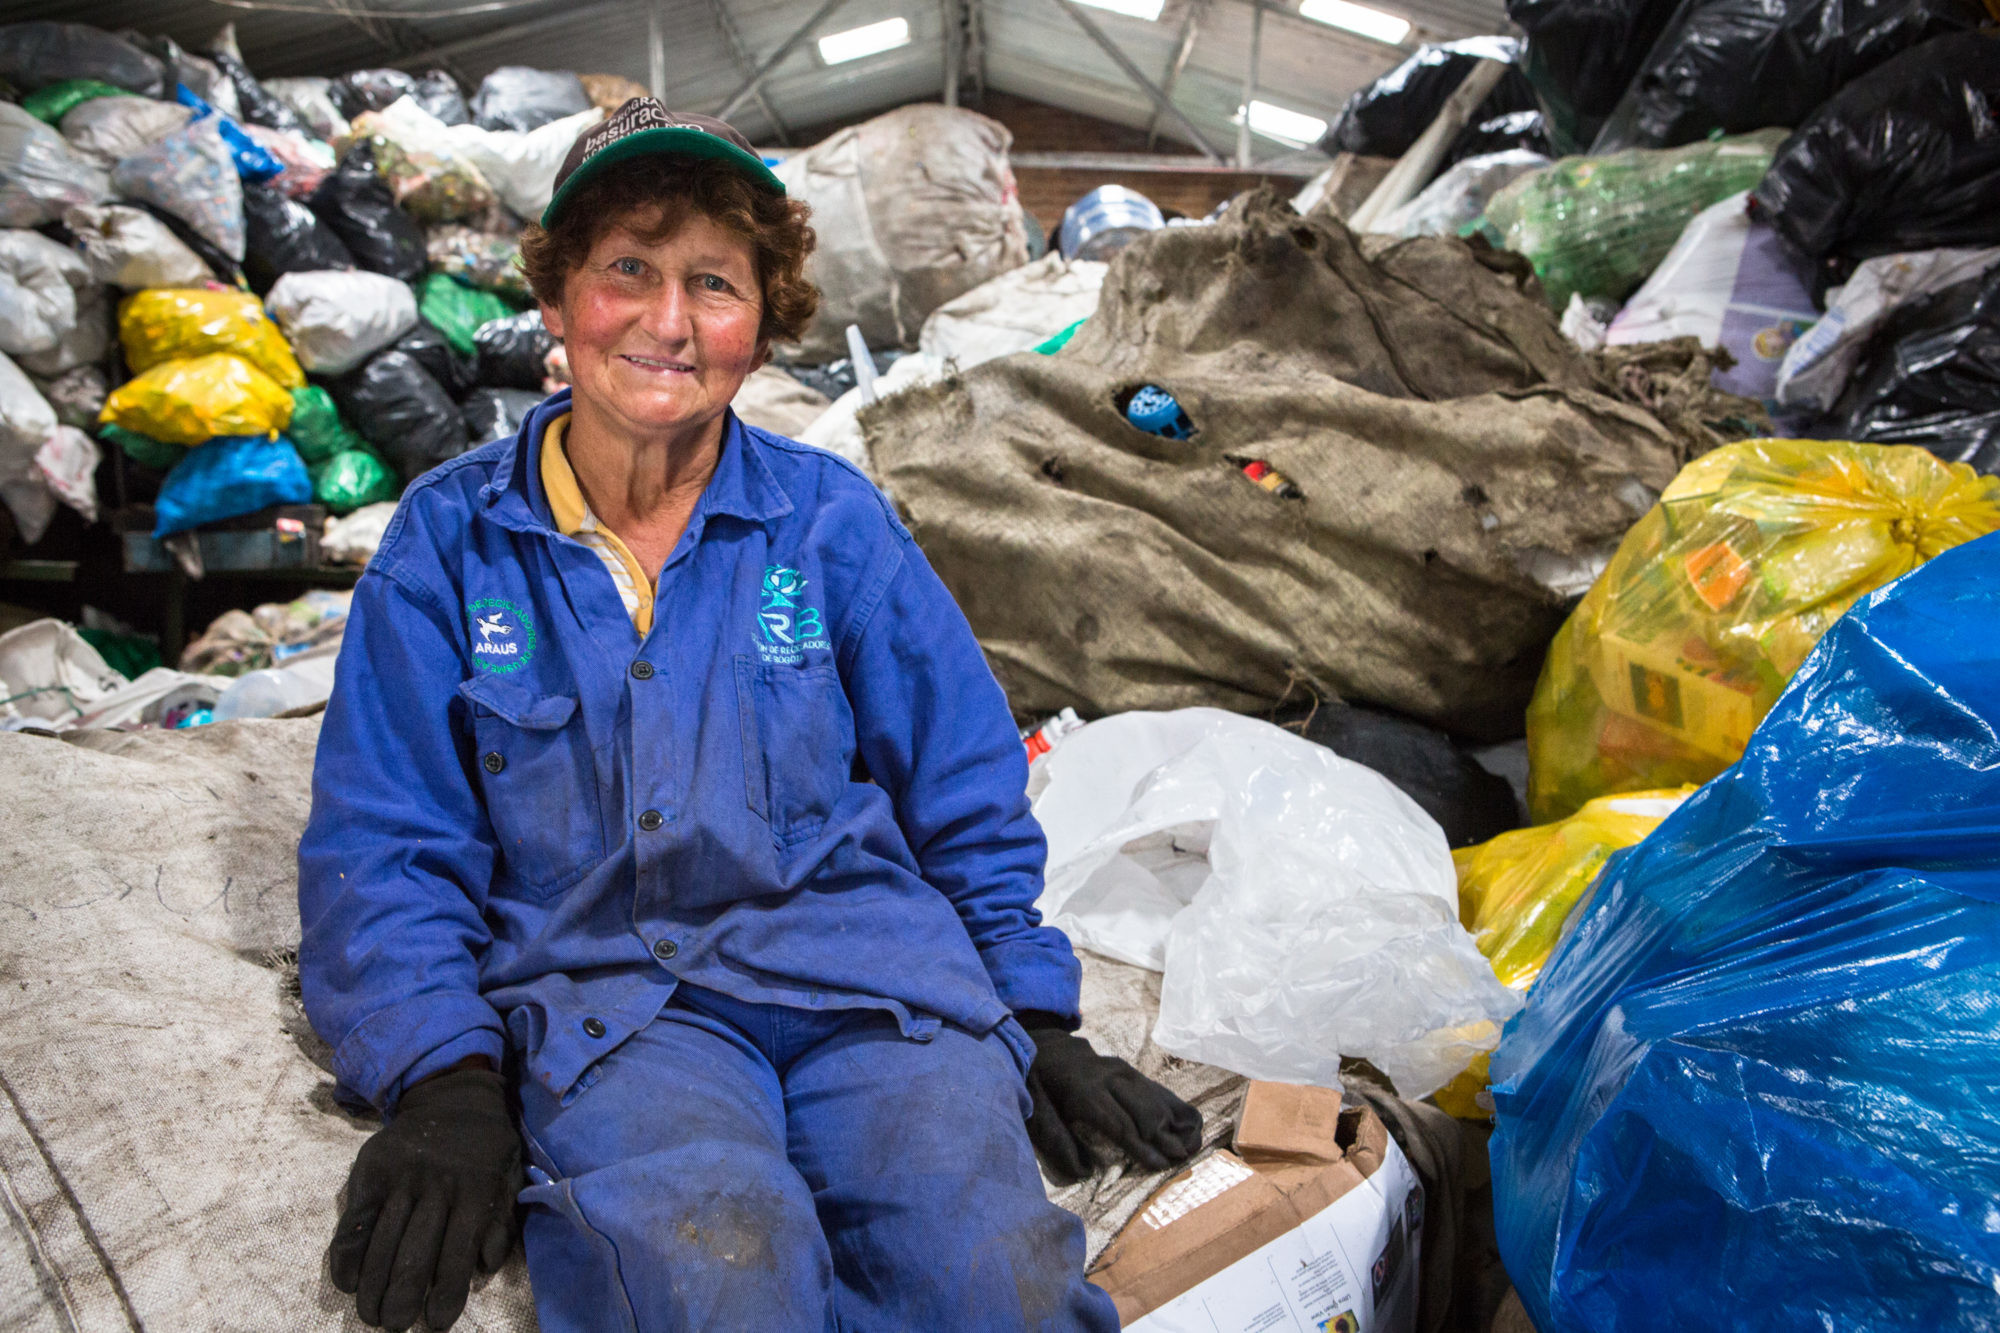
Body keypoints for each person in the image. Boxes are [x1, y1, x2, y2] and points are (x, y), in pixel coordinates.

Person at [298, 100, 1201, 1333]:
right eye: (627, 269)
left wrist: (1034, 1015)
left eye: (714, 283)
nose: (669, 323)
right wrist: (443, 1074)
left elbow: (963, 794)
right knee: (713, 1270)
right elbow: (385, 840)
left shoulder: (834, 527)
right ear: (556, 301)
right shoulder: (449, 547)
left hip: (871, 993)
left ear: (762, 323)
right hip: (615, 1006)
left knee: (994, 1283)